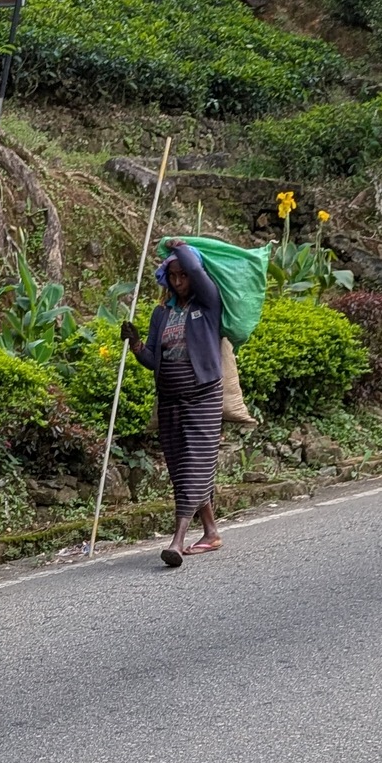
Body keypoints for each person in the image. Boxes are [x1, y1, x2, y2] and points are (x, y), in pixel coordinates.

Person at [121, 240, 223, 567]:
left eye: (184, 275)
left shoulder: (208, 304)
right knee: (181, 469)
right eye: (173, 276)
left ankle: (177, 542)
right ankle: (210, 531)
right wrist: (135, 344)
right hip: (170, 398)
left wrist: (179, 247)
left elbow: (194, 267)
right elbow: (153, 359)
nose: (179, 281)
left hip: (203, 395)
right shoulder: (161, 313)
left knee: (195, 464)